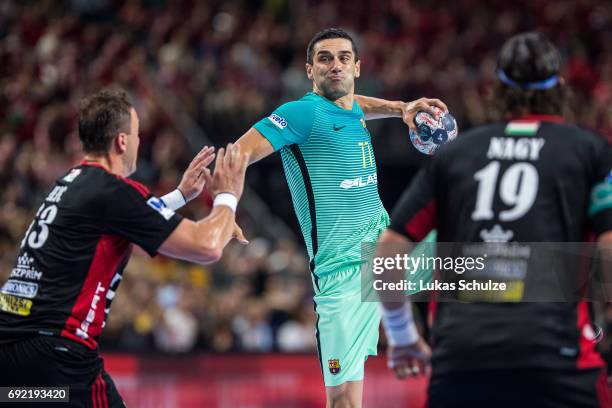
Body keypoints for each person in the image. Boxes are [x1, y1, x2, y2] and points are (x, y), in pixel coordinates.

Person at [375, 32, 612, 407]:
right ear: (561, 87)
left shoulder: (456, 156)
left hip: (462, 362)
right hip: (556, 358)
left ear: (497, 90)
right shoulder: (588, 150)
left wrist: (403, 336)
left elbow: (386, 253)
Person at [234, 27, 447, 407]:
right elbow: (237, 154)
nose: (335, 66)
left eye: (344, 58)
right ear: (309, 69)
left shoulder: (349, 108)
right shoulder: (299, 113)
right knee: (345, 401)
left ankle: (572, 328)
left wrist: (400, 108)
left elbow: (354, 104)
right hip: (342, 276)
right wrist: (224, 207)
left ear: (357, 67)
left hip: (388, 251)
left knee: (500, 267)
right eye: (325, 59)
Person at [0, 89, 248, 407]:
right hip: (58, 359)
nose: (139, 142)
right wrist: (227, 195)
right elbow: (207, 247)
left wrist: (180, 196)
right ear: (121, 141)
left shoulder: (71, 182)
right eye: (138, 134)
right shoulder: (112, 190)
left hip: (14, 358)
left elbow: (123, 223)